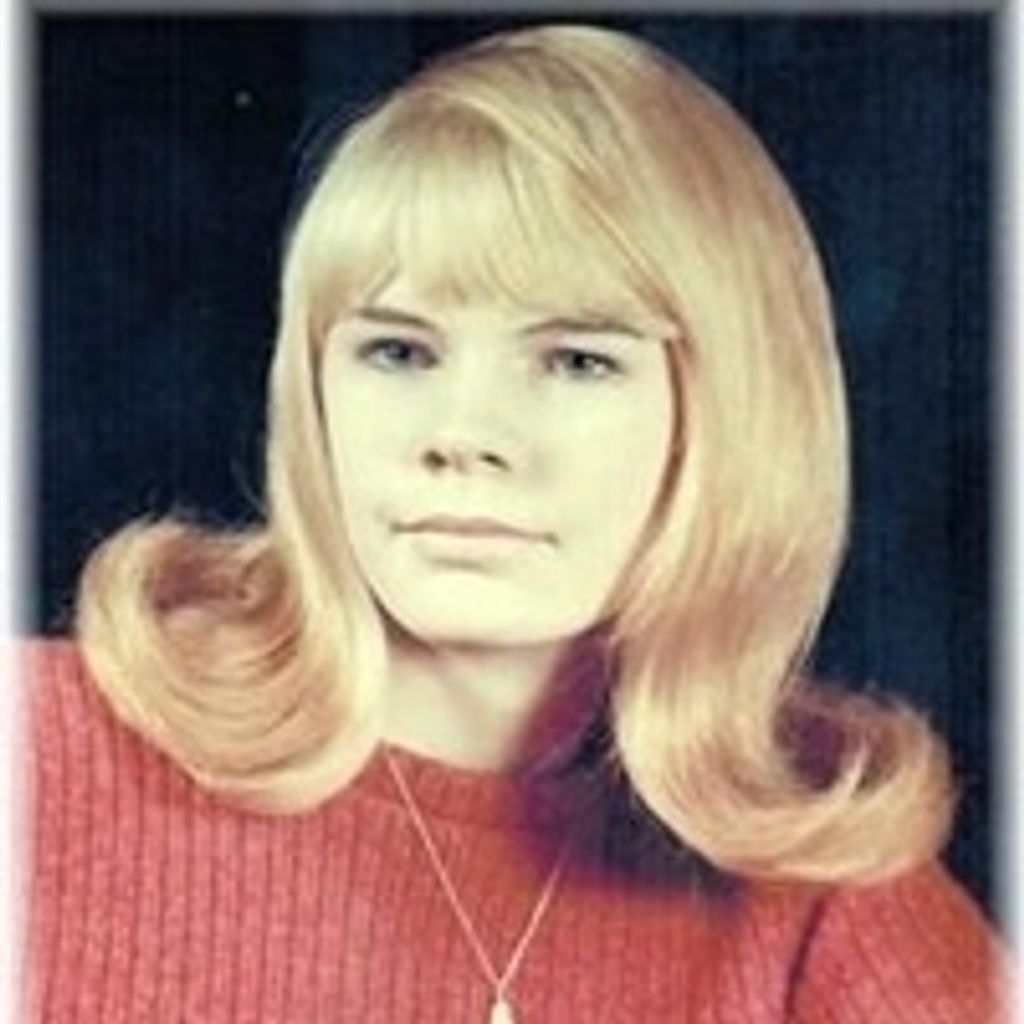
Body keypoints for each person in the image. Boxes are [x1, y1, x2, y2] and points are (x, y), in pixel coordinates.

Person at [24, 22, 1002, 1023]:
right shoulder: (38, 749)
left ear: (733, 415)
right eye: (399, 352)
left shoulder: (819, 879)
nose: (464, 436)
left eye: (577, 360)